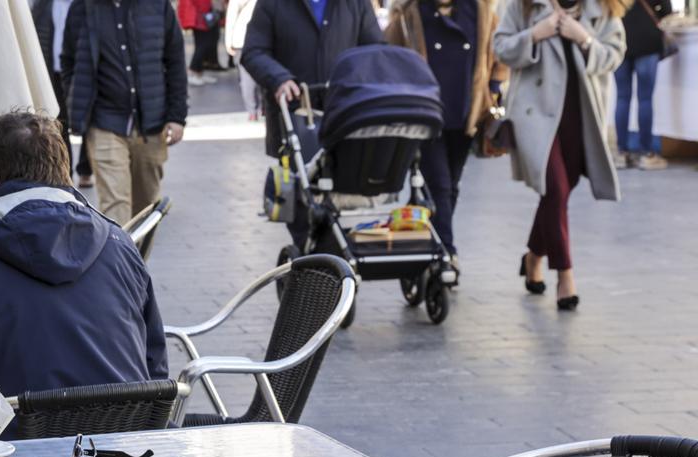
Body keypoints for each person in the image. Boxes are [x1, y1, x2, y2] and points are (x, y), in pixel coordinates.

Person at [0, 112, 168, 406]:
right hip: (128, 443)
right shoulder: (120, 244)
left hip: (11, 449)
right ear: (62, 172)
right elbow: (155, 367)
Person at [495, 0, 625, 311]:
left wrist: (584, 38)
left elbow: (614, 55)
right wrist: (534, 35)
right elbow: (500, 47)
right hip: (535, 114)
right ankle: (565, 276)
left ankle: (533, 257)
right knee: (555, 190)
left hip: (582, 116)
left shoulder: (603, 8)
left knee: (560, 194)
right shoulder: (524, 6)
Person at [240, 0, 384, 249]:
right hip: (295, 122)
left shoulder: (355, 4)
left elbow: (375, 50)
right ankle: (314, 261)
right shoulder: (272, 4)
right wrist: (280, 79)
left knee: (336, 196)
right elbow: (253, 52)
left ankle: (332, 260)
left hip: (344, 118)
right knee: (301, 203)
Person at [386, 0, 509, 268]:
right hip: (425, 115)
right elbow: (389, 56)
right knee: (439, 184)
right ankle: (446, 253)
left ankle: (427, 243)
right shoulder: (409, 14)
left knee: (450, 185)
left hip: (466, 114)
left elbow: (499, 51)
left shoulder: (480, 10)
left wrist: (494, 87)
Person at [60, 0, 189, 225]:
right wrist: (79, 103)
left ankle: (136, 259)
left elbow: (175, 61)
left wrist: (177, 116)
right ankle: (118, 259)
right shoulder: (82, 7)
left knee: (146, 207)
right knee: (115, 205)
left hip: (151, 123)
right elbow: (69, 60)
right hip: (103, 121)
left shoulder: (158, 6)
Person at [32, 0, 96, 188]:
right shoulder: (43, 5)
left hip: (81, 72)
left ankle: (85, 169)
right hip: (52, 71)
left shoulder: (87, 5)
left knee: (87, 121)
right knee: (58, 123)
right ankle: (64, 172)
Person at [614, 0, 671, 170]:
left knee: (622, 98)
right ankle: (647, 154)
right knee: (645, 99)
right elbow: (666, 10)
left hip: (619, 37)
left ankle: (622, 153)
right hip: (647, 39)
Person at [226, 0, 262, 120]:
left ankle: (252, 111)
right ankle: (262, 109)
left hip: (241, 37)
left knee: (247, 78)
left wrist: (229, 39)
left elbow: (232, 14)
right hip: (263, 37)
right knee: (265, 75)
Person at [179, 0, 223, 86]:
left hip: (202, 16)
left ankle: (199, 73)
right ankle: (192, 72)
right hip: (199, 17)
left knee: (203, 45)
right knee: (202, 45)